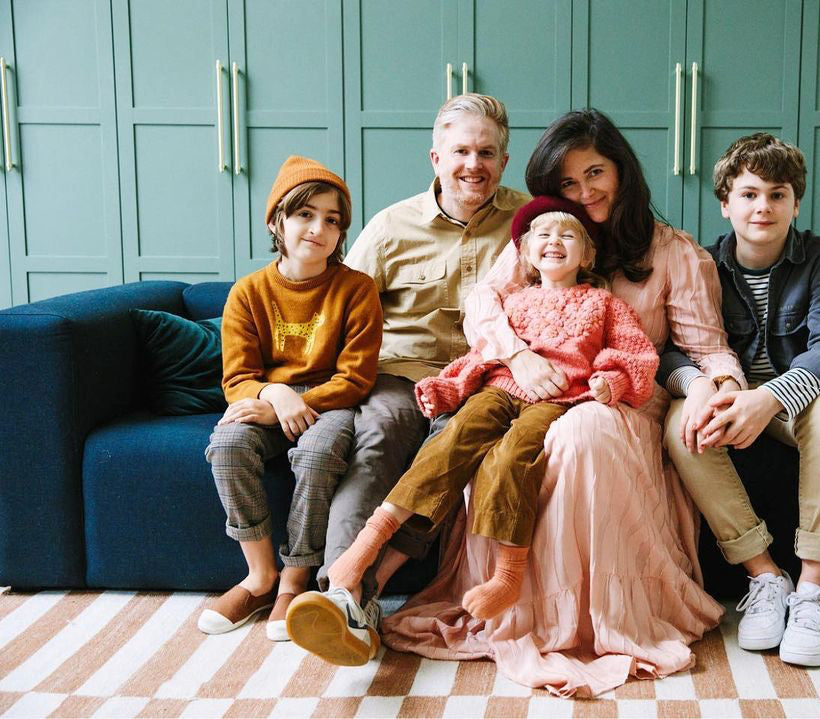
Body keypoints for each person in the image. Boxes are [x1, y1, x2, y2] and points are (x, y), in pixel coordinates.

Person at [380, 109, 746, 698]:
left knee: (582, 433)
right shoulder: (545, 238)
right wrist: (519, 356)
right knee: (497, 426)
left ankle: (588, 613)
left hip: (621, 400)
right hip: (535, 391)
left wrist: (726, 388)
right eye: (568, 184)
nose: (584, 193)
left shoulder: (676, 253)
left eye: (595, 173)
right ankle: (503, 597)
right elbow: (484, 304)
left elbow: (707, 347)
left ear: (623, 172)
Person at [287, 196, 659, 664]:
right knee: (449, 443)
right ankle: (364, 548)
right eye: (542, 235)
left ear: (587, 254)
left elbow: (635, 352)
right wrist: (448, 387)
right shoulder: (512, 303)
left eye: (568, 236)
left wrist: (614, 381)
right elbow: (482, 354)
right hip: (499, 390)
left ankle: (507, 575)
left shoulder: (603, 303)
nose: (554, 243)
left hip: (561, 397)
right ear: (524, 253)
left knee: (511, 457)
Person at [286, 94, 529, 664]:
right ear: (436, 158)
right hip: (398, 374)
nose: (474, 164)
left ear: (504, 159)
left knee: (450, 455)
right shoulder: (392, 225)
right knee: (376, 445)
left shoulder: (528, 223)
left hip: (484, 380)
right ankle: (342, 594)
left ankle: (355, 596)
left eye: (487, 152)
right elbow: (340, 311)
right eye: (461, 151)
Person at [658, 132, 820, 667]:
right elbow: (665, 349)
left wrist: (771, 398)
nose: (764, 206)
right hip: (729, 396)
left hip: (796, 400)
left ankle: (811, 591)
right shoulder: (699, 262)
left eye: (778, 194)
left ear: (795, 203)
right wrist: (700, 386)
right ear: (725, 202)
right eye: (750, 194)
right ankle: (765, 576)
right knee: (679, 426)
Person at [200, 156, 382, 641]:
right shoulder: (249, 292)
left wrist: (304, 402)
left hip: (332, 402)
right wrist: (276, 394)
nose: (318, 228)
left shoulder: (357, 290)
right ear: (277, 220)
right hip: (266, 401)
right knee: (227, 446)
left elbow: (357, 377)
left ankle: (294, 579)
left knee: (320, 453)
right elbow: (237, 377)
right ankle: (259, 578)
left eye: (332, 219)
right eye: (305, 214)